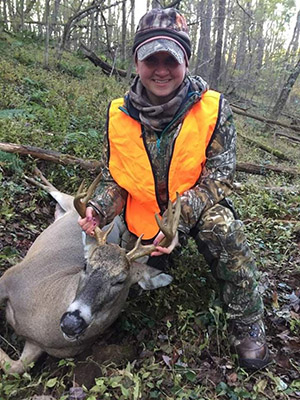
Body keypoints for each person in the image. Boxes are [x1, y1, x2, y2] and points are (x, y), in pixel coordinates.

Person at [78, 7, 270, 370]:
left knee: (223, 228)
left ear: (186, 61)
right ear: (137, 61)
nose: (161, 69)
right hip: (141, 218)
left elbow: (220, 176)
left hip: (194, 210)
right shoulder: (119, 114)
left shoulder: (213, 109)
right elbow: (115, 178)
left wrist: (177, 221)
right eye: (152, 59)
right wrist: (99, 209)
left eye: (171, 59)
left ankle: (247, 322)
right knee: (115, 270)